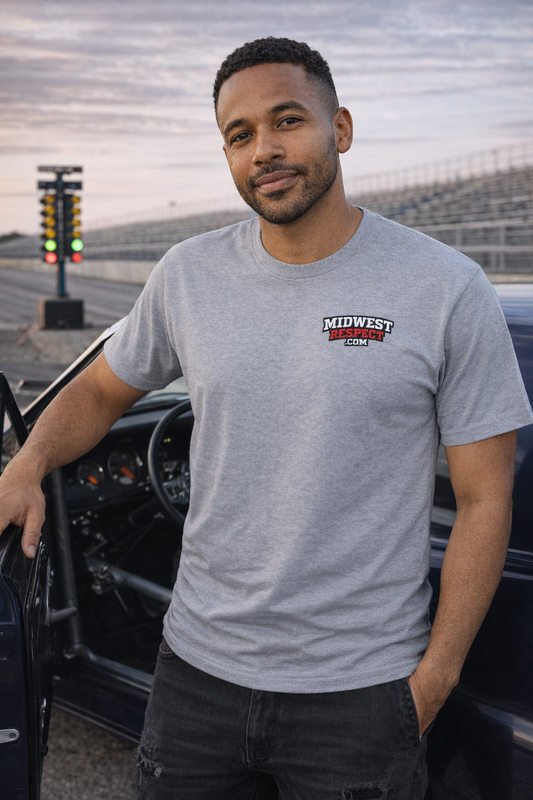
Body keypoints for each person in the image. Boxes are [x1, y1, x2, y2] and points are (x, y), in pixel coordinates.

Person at [1, 37, 532, 799]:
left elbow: (485, 498)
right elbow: (99, 392)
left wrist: (430, 681)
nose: (265, 151)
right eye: (239, 135)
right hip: (196, 678)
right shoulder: (189, 273)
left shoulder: (445, 288)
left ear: (339, 129)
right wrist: (26, 465)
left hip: (359, 697)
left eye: (287, 121)